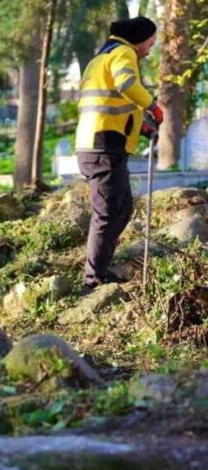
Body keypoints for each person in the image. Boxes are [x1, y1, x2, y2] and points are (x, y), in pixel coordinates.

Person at [75, 16, 162, 290]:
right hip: (103, 146)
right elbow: (127, 86)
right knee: (109, 212)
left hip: (98, 142)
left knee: (121, 209)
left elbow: (113, 102)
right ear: (140, 40)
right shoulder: (123, 53)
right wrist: (152, 105)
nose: (149, 50)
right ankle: (94, 278)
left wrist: (143, 128)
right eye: (150, 44)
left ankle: (99, 270)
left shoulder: (101, 58)